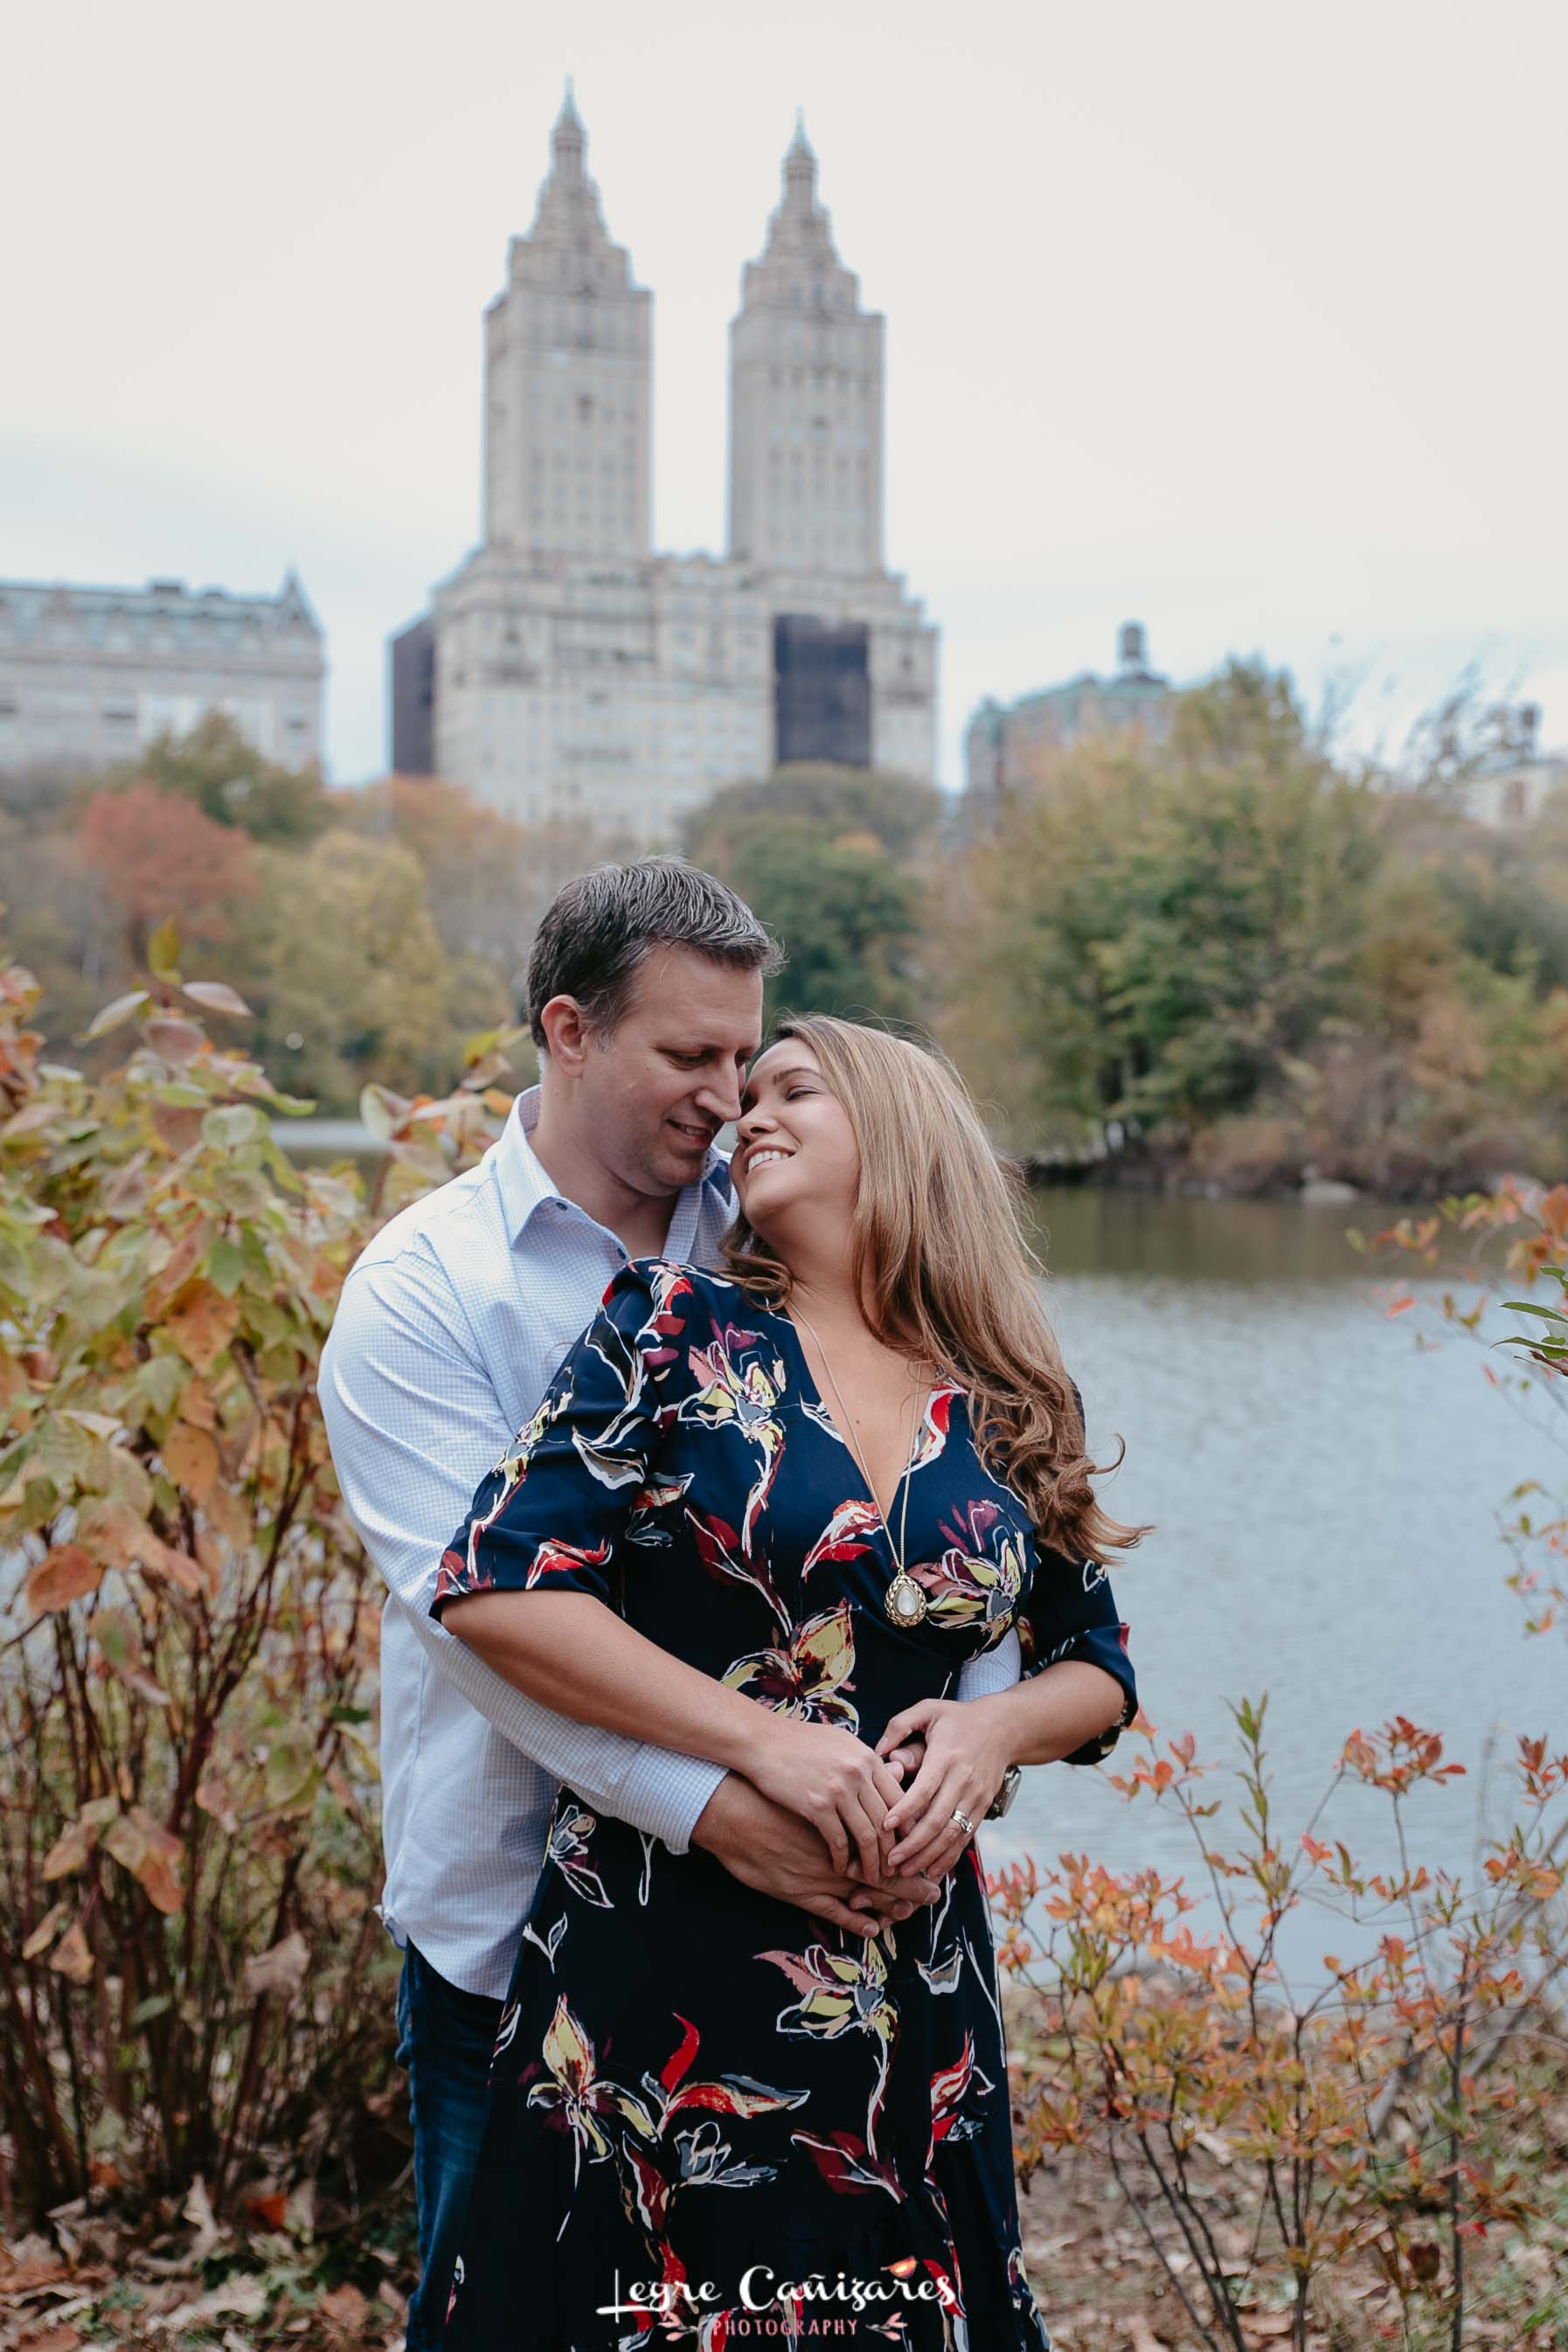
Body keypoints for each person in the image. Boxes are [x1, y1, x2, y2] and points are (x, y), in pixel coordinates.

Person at [318, 862, 1026, 2351]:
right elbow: (488, 1624)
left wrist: (965, 1742)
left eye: (743, 1057)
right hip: (515, 1914)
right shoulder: (423, 1293)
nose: (725, 1097)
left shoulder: (778, 1223)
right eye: (687, 1058)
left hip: (819, 1924)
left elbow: (945, 1519)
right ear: (568, 1031)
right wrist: (733, 1791)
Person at [433, 1013, 1143, 2350]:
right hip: (659, 1952)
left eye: (791, 1090)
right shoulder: (667, 1329)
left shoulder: (1002, 1392)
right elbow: (498, 1588)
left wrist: (993, 1730)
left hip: (911, 1976)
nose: (745, 1114)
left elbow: (1094, 1667)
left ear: (902, 1133)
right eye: (741, 1093)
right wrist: (765, 1745)